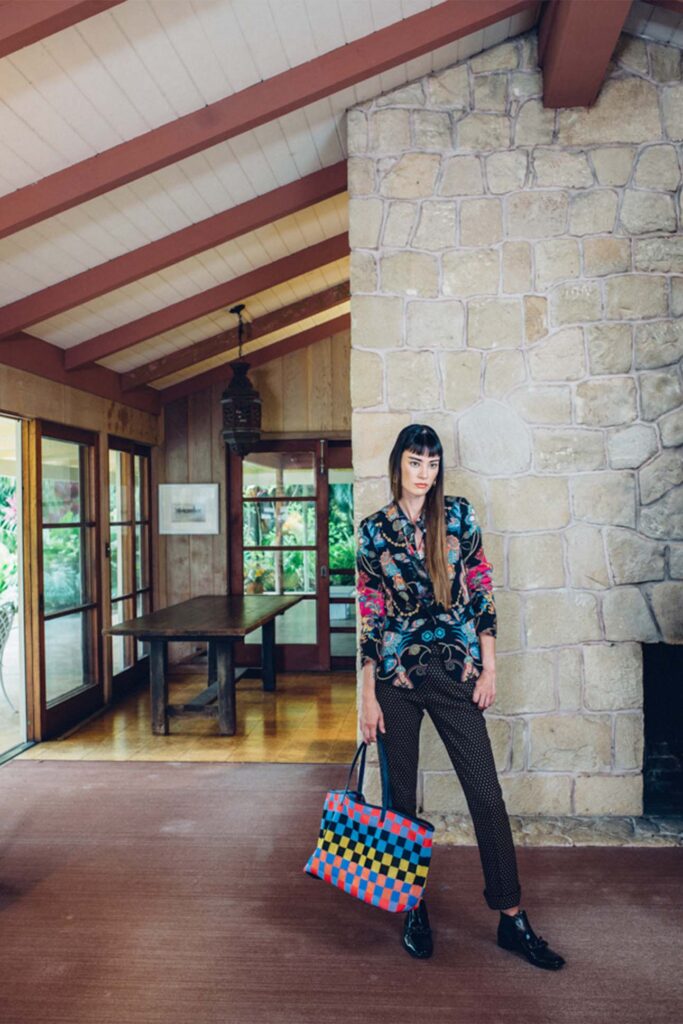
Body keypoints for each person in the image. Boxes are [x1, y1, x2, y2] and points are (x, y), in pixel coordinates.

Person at [356, 423, 565, 969]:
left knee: (486, 796)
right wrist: (366, 696)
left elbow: (482, 592)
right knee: (399, 803)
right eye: (414, 462)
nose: (424, 474)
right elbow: (371, 616)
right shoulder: (372, 530)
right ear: (398, 464)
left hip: (456, 673)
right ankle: (412, 908)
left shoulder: (458, 515)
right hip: (396, 682)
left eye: (432, 464)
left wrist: (489, 668)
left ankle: (511, 916)